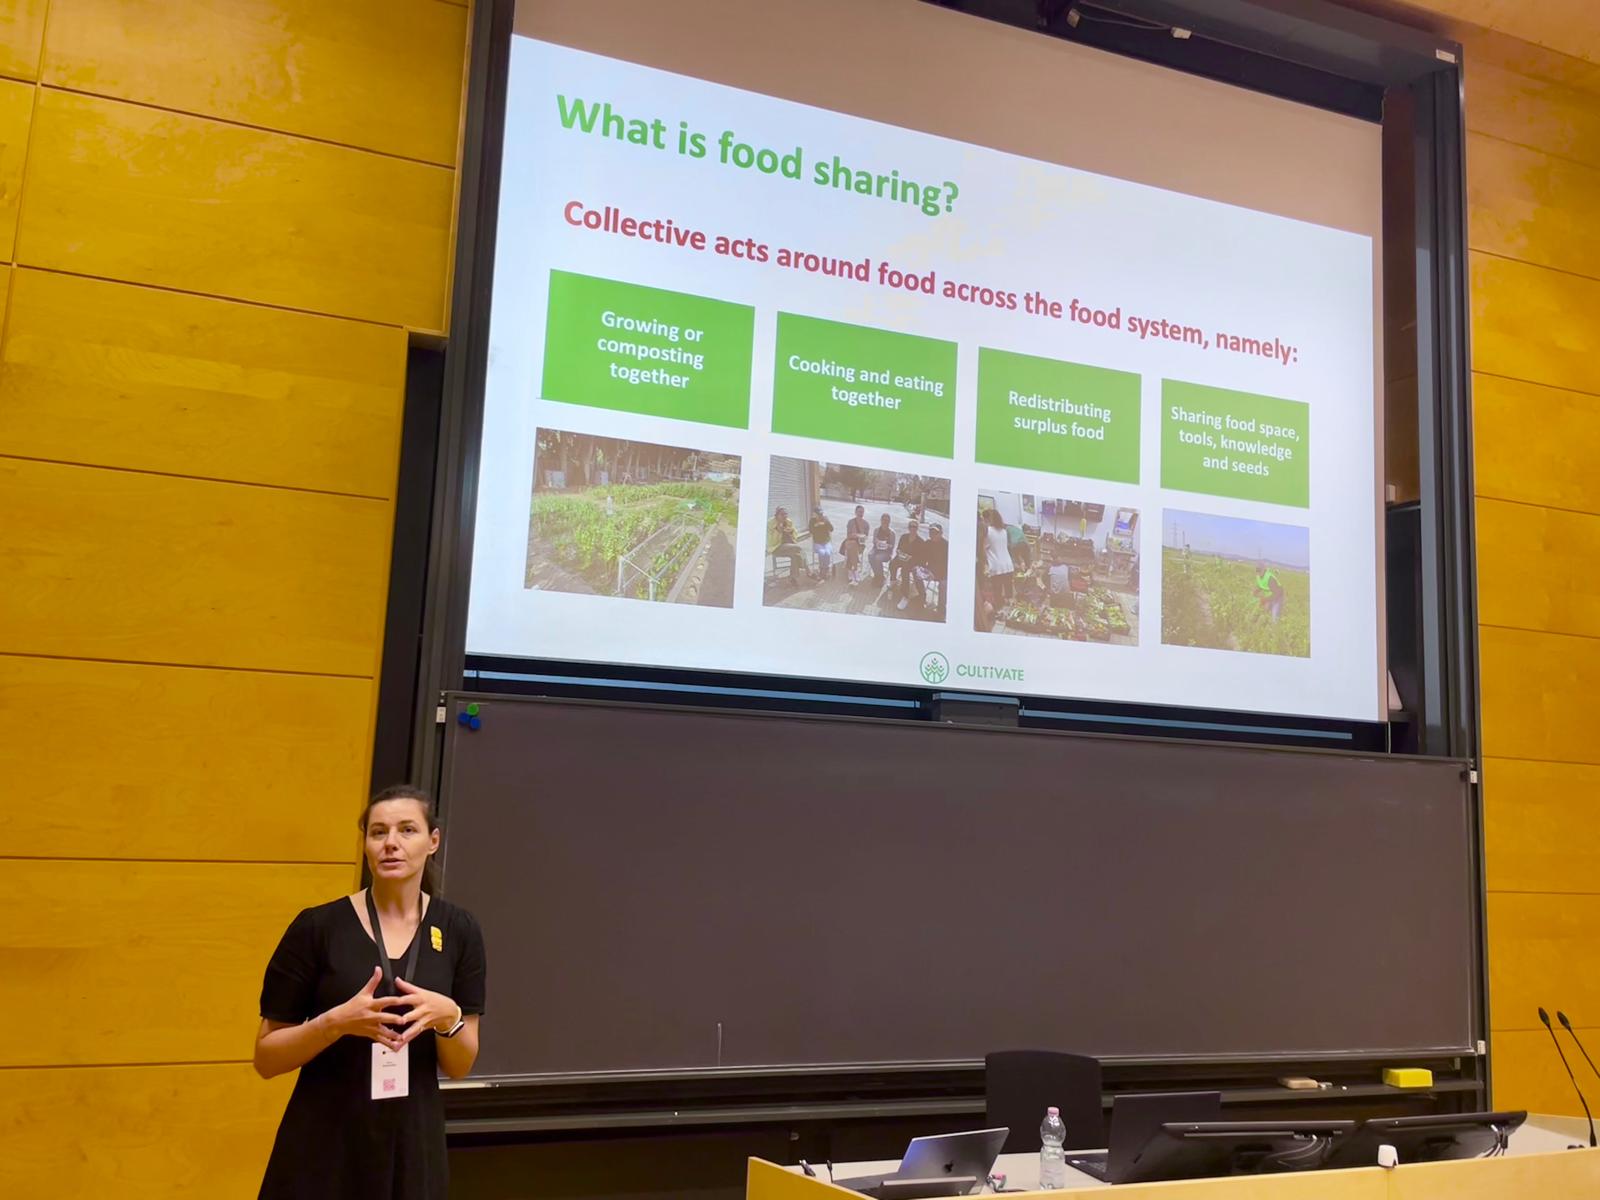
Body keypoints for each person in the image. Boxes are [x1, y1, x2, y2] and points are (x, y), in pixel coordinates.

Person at [254, 785, 486, 1200]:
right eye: (378, 832)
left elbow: (460, 1066)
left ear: (433, 841)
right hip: (325, 1142)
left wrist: (448, 1017)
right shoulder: (317, 928)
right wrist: (333, 1024)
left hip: (413, 1144)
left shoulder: (459, 930)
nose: (391, 843)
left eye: (407, 830)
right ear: (365, 844)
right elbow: (266, 1058)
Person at [901, 522, 949, 614]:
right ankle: (922, 595)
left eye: (935, 532)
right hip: (929, 570)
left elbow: (947, 565)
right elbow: (922, 559)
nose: (932, 534)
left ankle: (941, 608)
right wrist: (921, 568)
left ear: (941, 533)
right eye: (931, 532)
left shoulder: (946, 545)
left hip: (942, 573)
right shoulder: (927, 543)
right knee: (915, 570)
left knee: (944, 584)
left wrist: (934, 573)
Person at [981, 507, 1015, 606]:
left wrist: (984, 563)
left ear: (988, 519)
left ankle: (999, 609)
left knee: (997, 592)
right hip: (1008, 564)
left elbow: (983, 548)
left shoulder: (988, 531)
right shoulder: (1004, 531)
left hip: (996, 566)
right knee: (1009, 592)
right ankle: (1010, 610)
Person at [767, 507, 807, 586]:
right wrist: (778, 531)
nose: (785, 516)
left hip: (788, 546)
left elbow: (795, 534)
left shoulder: (788, 521)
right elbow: (770, 541)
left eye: (786, 514)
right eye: (782, 514)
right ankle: (808, 570)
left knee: (795, 555)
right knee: (799, 548)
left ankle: (793, 578)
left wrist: (791, 532)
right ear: (777, 515)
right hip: (776, 547)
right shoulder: (770, 523)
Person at [890, 518, 922, 602]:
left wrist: (910, 558)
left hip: (912, 562)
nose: (912, 528)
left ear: (917, 528)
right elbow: (898, 548)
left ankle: (905, 594)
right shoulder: (904, 537)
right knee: (892, 563)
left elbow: (920, 557)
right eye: (911, 526)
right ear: (908, 527)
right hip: (901, 558)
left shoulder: (920, 541)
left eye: (914, 527)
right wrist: (899, 553)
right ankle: (893, 580)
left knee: (904, 570)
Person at [843, 505, 870, 584]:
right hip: (849, 541)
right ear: (855, 512)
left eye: (862, 512)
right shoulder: (851, 522)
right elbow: (848, 536)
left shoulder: (866, 524)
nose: (861, 514)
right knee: (853, 544)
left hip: (860, 544)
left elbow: (866, 537)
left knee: (853, 547)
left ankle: (850, 570)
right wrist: (856, 535)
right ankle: (855, 569)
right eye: (859, 512)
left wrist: (863, 537)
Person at [869, 513, 895, 585]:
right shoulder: (876, 530)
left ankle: (880, 577)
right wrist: (877, 542)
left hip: (886, 552)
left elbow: (892, 546)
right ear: (881, 520)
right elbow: (874, 542)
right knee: (870, 555)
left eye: (887, 520)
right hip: (877, 549)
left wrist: (887, 545)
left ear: (889, 522)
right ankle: (878, 574)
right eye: (883, 520)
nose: (885, 522)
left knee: (877, 558)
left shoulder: (892, 533)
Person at [809, 507, 835, 579]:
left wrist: (826, 522)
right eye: (818, 514)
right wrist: (815, 525)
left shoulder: (825, 519)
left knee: (828, 553)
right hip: (817, 542)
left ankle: (826, 569)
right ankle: (821, 568)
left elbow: (831, 529)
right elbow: (811, 531)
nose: (820, 516)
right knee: (822, 552)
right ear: (815, 515)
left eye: (821, 514)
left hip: (826, 541)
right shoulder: (812, 521)